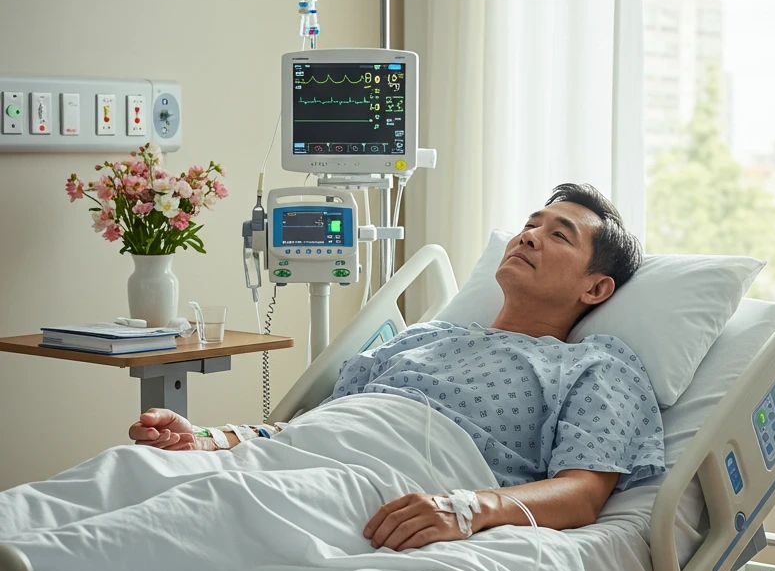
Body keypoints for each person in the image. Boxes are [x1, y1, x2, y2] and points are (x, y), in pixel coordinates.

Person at [127, 183, 665, 551]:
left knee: (187, 523)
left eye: (558, 235)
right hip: (303, 457)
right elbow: (319, 426)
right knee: (129, 479)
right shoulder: (426, 335)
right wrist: (213, 438)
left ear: (595, 288)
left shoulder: (594, 366)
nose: (529, 236)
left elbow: (583, 494)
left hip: (384, 486)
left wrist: (467, 508)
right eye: (531, 224)